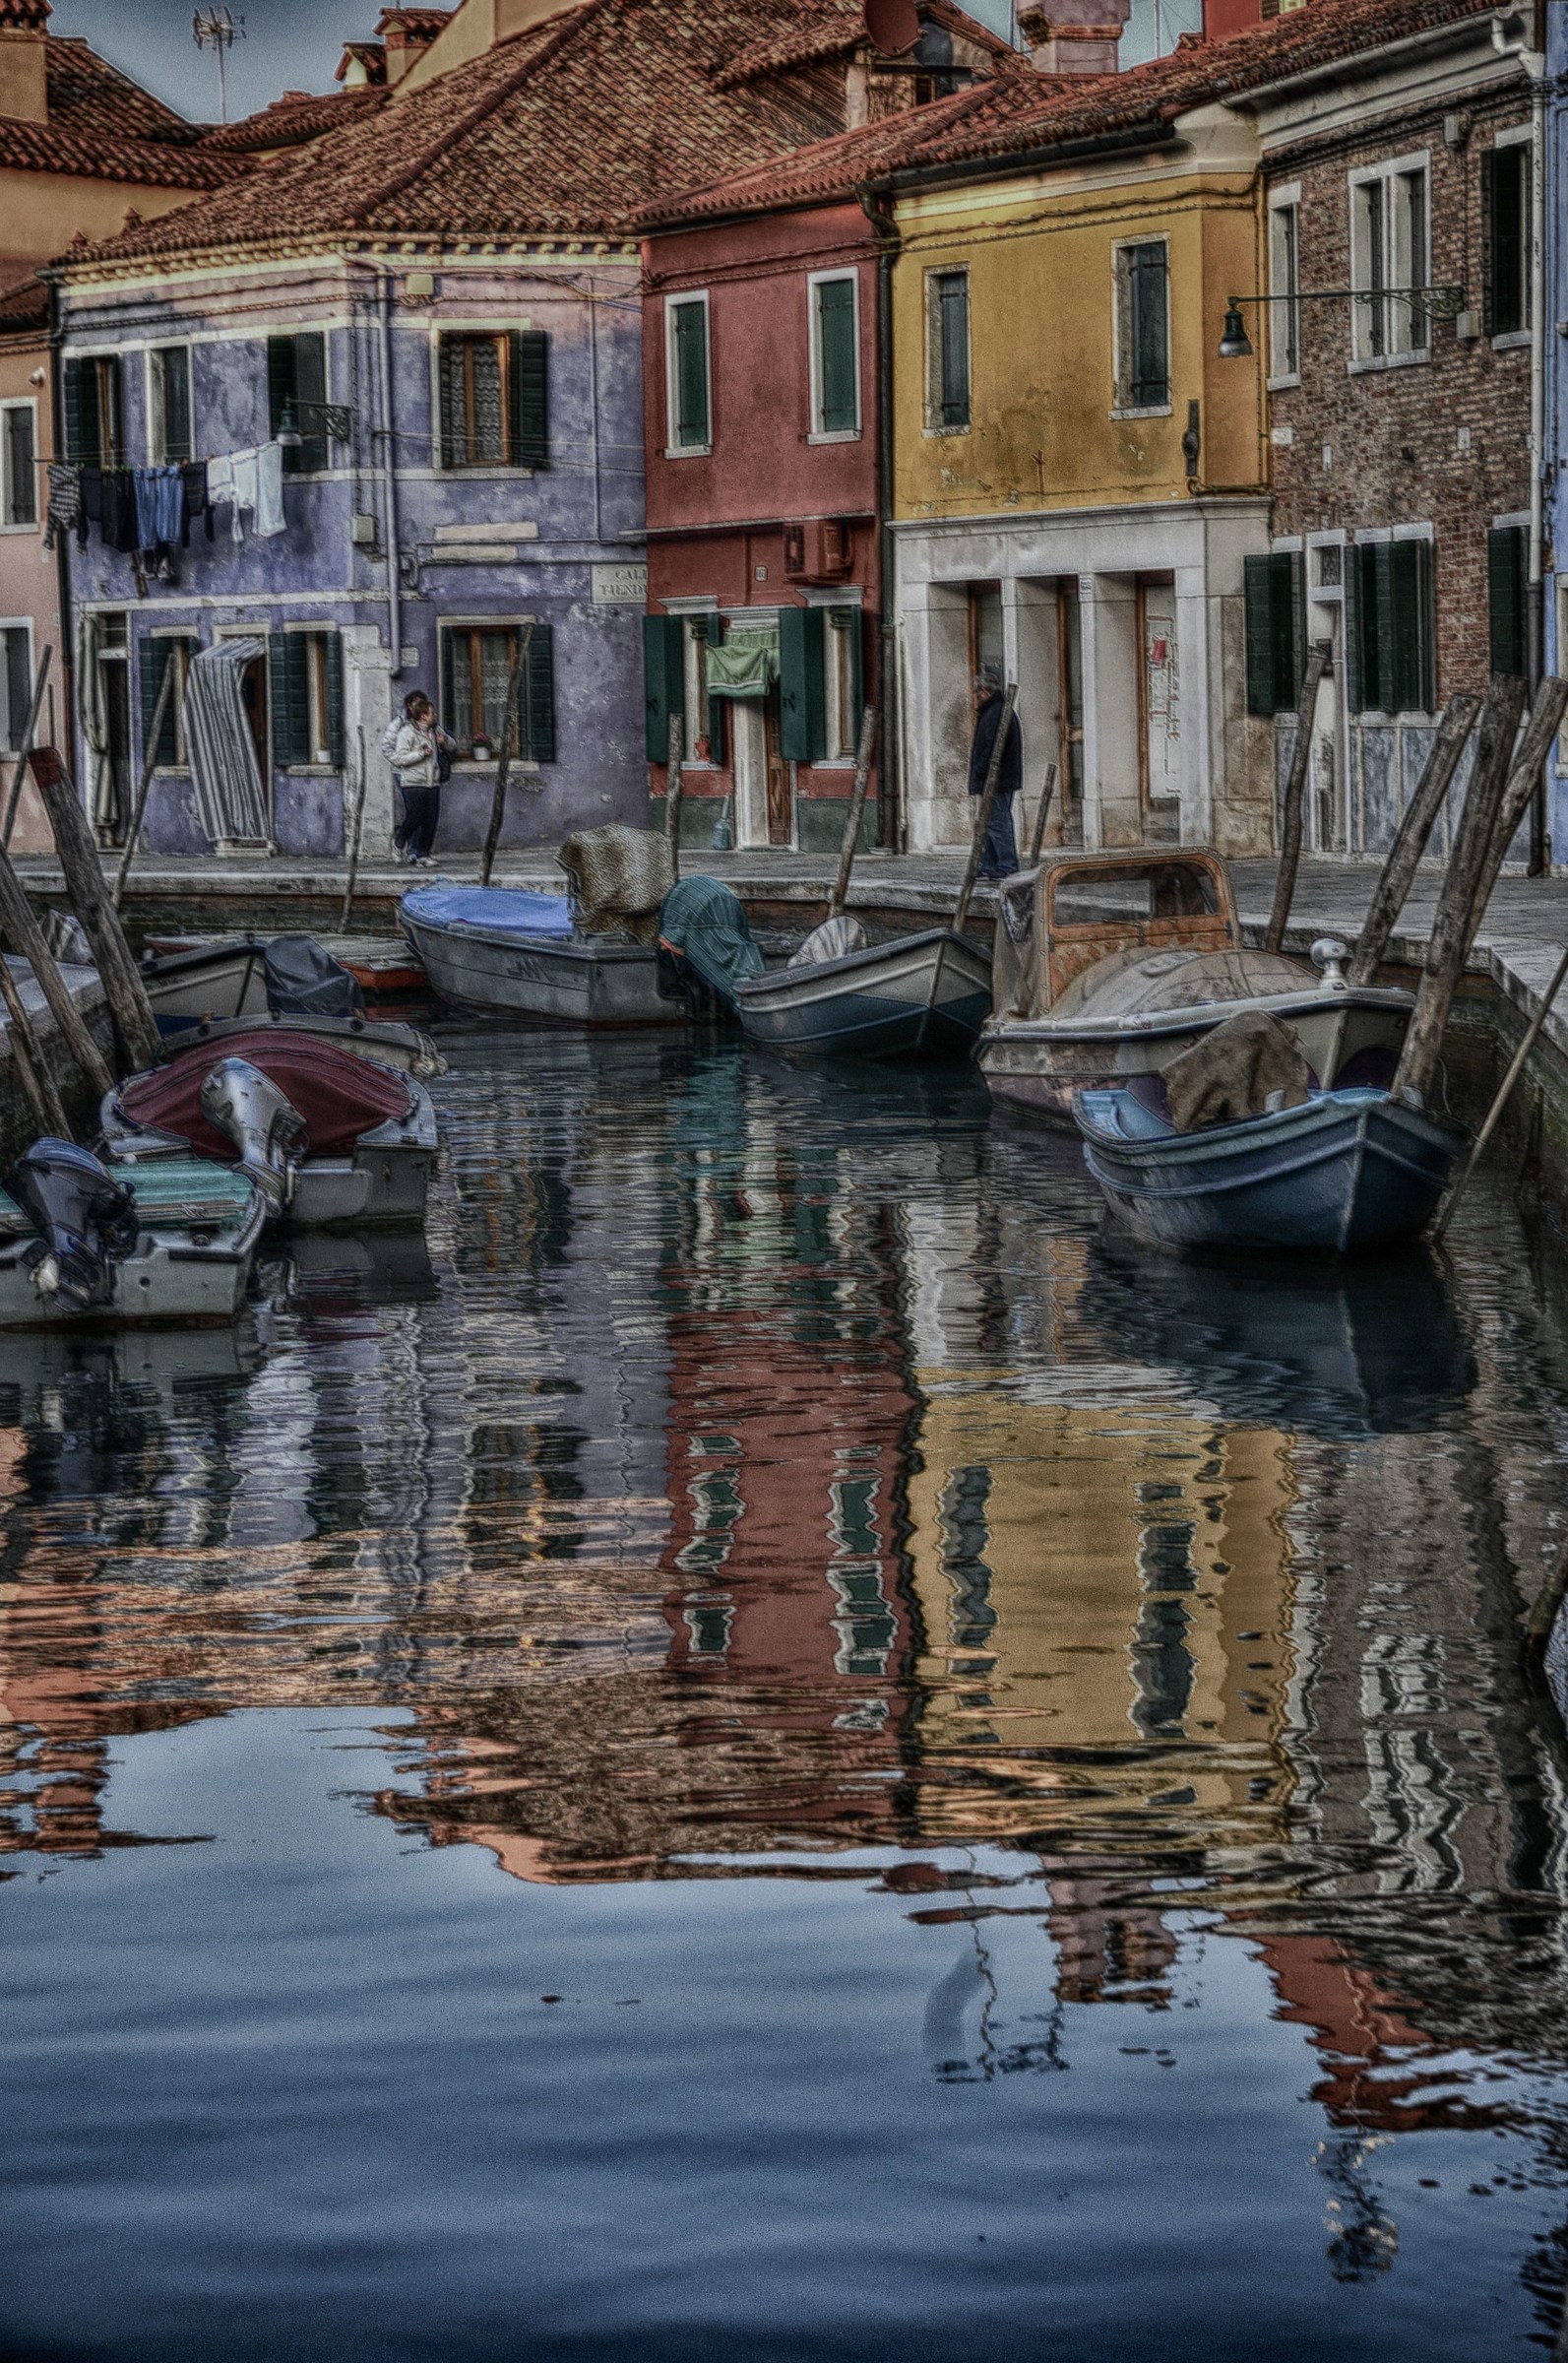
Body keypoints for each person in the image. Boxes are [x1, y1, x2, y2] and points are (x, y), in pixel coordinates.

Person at [387, 691, 455, 865]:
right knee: (415, 816)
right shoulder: (406, 732)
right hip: (413, 782)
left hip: (432, 781)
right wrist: (420, 754)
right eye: (432, 713)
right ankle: (399, 842)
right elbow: (400, 758)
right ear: (424, 716)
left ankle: (424, 854)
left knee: (431, 819)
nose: (435, 716)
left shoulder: (435, 730)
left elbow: (452, 745)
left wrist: (444, 742)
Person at [967, 665, 1022, 880]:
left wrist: (980, 771)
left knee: (998, 822)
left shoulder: (996, 714)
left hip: (997, 780)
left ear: (985, 692)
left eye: (977, 693)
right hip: (997, 778)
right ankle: (989, 864)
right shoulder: (995, 712)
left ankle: (1007, 864)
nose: (975, 697)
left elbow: (991, 748)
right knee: (989, 822)